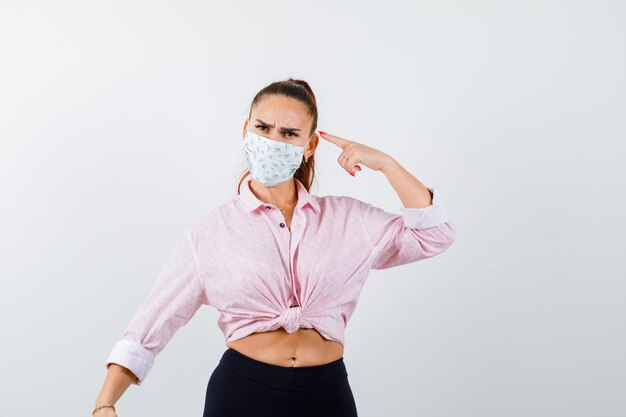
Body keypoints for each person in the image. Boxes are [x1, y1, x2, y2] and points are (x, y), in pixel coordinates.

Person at [92, 78, 456, 417]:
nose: (272, 141)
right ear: (245, 129)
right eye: (263, 128)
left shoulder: (349, 220)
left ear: (309, 145)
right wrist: (105, 403)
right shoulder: (209, 233)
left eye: (289, 133)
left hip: (326, 394)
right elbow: (153, 322)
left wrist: (387, 165)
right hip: (241, 393)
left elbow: (434, 234)